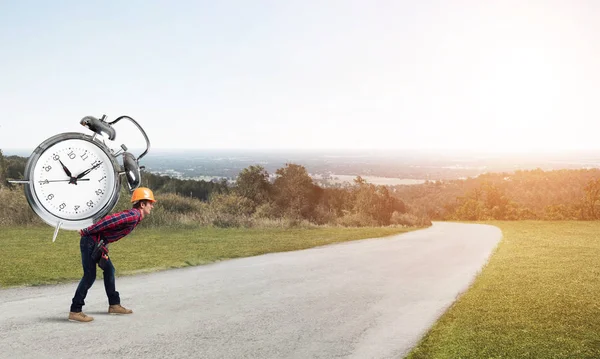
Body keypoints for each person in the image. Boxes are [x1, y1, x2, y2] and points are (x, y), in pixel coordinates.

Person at [68, 187, 156, 323]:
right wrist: (87, 230)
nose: (152, 205)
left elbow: (110, 229)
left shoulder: (135, 217)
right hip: (90, 241)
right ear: (142, 204)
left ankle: (114, 305)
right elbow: (110, 220)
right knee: (89, 276)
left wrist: (104, 246)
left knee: (109, 269)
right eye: (150, 202)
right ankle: (75, 310)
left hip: (97, 243)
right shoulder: (133, 215)